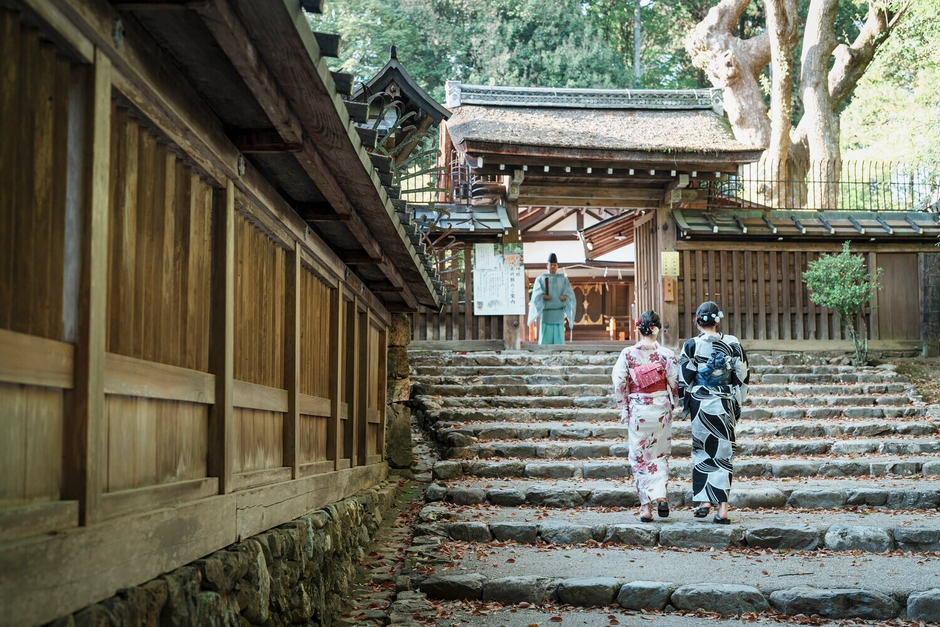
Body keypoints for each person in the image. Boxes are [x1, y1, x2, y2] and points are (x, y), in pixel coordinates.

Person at [678, 301, 749, 524]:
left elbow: (684, 379)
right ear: (717, 321)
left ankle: (705, 501)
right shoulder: (732, 342)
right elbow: (742, 374)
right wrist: (737, 402)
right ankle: (722, 509)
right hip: (724, 402)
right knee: (723, 454)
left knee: (702, 452)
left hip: (701, 403)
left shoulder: (691, 345)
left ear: (697, 321)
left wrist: (685, 403)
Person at [612, 310, 680, 522]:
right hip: (661, 409)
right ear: (656, 329)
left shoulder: (628, 354)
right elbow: (675, 383)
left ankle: (646, 508)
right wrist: (673, 403)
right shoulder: (666, 354)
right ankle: (660, 497)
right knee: (660, 455)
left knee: (640, 458)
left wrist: (623, 406)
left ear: (638, 329)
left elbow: (619, 382)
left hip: (639, 409)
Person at [526, 253, 576, 344]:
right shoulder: (540, 279)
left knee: (559, 339)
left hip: (559, 312)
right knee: (545, 339)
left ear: (557, 266)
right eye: (551, 264)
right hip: (546, 312)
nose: (552, 266)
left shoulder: (564, 279)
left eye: (554, 264)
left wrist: (565, 296)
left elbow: (570, 295)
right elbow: (535, 296)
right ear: (547, 266)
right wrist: (542, 296)